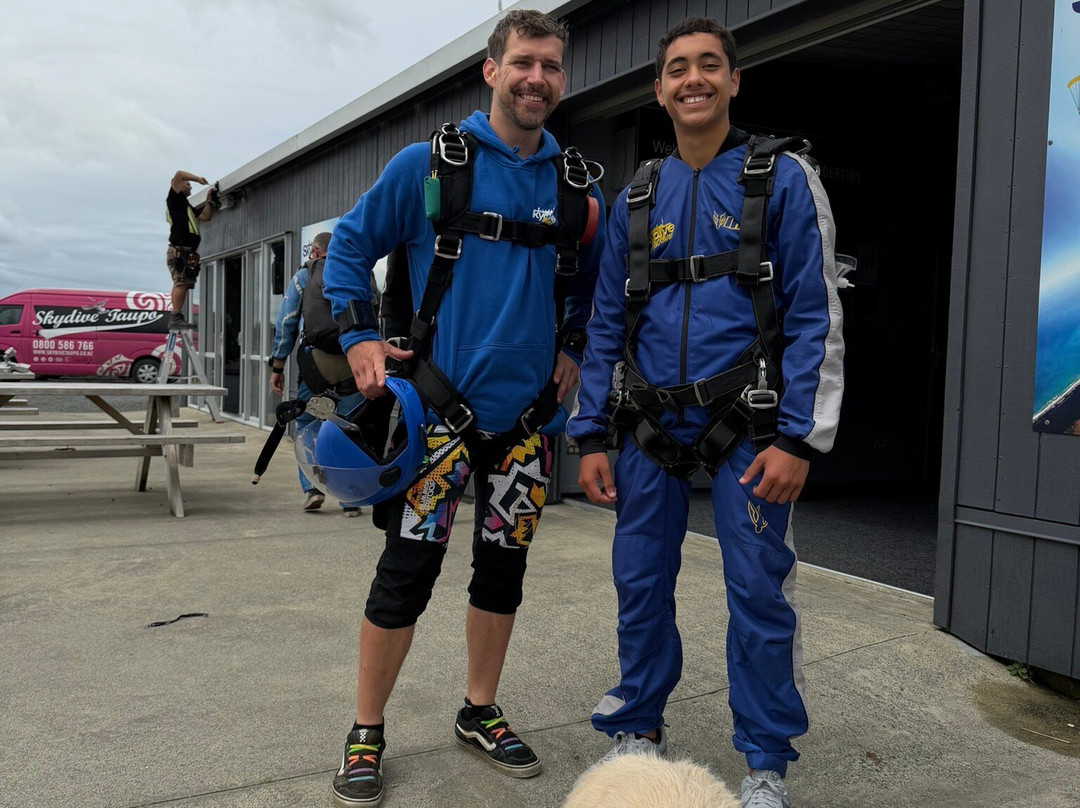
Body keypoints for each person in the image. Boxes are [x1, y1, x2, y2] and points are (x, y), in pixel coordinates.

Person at [321, 9, 604, 807]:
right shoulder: (429, 167)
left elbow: (593, 287)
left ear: (562, 77)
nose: (537, 79)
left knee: (503, 573)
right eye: (523, 63)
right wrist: (359, 339)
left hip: (525, 429)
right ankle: (366, 729)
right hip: (436, 421)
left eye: (551, 66)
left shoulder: (577, 190)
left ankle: (479, 710)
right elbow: (348, 247)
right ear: (492, 70)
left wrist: (573, 347)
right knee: (405, 573)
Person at [567, 17, 844, 808]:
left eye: (710, 65)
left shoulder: (782, 179)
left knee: (758, 591)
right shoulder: (636, 197)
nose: (694, 79)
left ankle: (764, 765)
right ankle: (636, 728)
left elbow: (816, 315)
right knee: (639, 583)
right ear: (659, 90)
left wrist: (799, 438)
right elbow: (604, 327)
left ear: (733, 81)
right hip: (646, 428)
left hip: (748, 428)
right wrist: (590, 435)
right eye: (679, 68)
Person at [269, 231, 366, 515]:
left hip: (316, 363)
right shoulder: (357, 272)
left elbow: (286, 322)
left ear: (315, 252)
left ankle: (313, 488)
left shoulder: (304, 276)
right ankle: (350, 498)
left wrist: (278, 365)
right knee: (348, 428)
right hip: (353, 360)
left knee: (307, 423)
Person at [166, 171, 216, 330]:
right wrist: (198, 179)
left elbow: (205, 217)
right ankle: (175, 317)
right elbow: (179, 174)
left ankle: (176, 316)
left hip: (187, 251)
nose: (191, 187)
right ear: (179, 186)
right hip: (179, 250)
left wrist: (209, 200)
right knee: (181, 282)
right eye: (188, 184)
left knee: (184, 282)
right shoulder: (174, 198)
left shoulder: (185, 205)